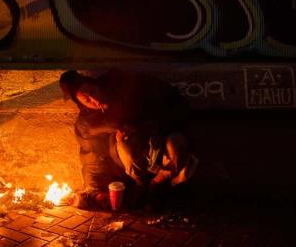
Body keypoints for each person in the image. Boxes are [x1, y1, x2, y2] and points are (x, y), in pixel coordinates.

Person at [60, 69, 198, 209]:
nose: (95, 100)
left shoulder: (124, 88)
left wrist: (143, 127)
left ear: (97, 85)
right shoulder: (88, 122)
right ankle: (142, 187)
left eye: (93, 92)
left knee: (177, 146)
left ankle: (158, 183)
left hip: (161, 137)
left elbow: (167, 108)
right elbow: (90, 156)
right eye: (87, 100)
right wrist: (93, 189)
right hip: (130, 156)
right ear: (82, 105)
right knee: (125, 146)